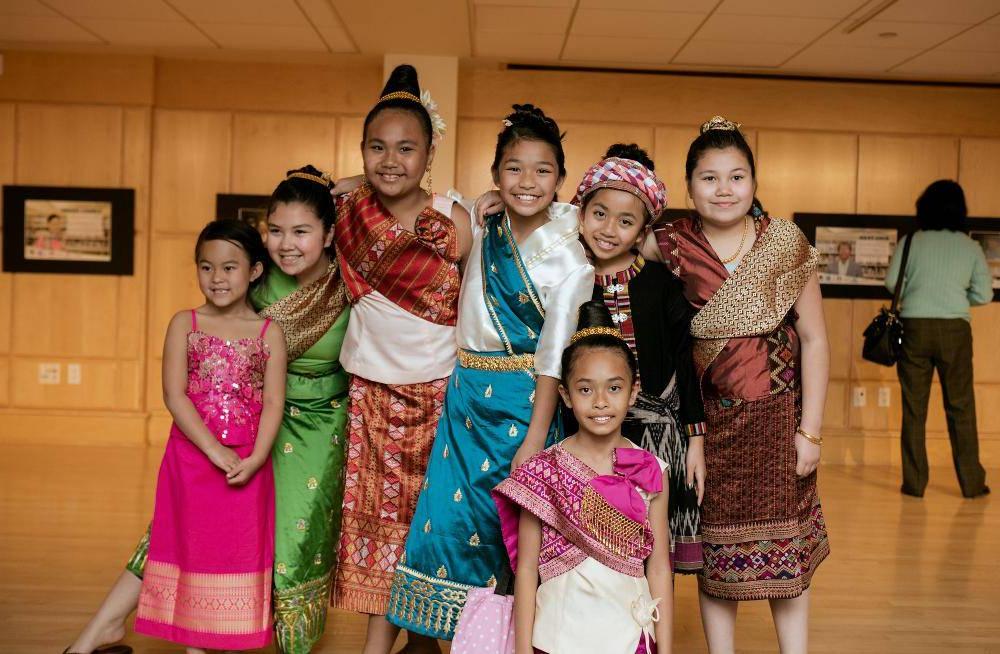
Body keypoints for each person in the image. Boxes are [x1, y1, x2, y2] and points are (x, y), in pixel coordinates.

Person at [63, 165, 352, 654]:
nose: (286, 244)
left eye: (301, 232)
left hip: (318, 428)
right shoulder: (250, 280)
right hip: (239, 425)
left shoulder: (353, 282)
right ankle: (101, 631)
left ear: (328, 233)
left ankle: (286, 645)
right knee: (184, 527)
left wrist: (358, 182)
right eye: (275, 231)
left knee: (295, 545)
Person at [387, 104, 592, 641]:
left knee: (513, 537)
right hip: (465, 399)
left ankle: (506, 641)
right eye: (514, 169)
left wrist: (533, 438)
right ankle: (443, 638)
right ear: (495, 174)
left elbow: (553, 357)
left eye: (543, 170)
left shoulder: (572, 255)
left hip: (525, 405)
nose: (528, 182)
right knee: (446, 525)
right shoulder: (483, 222)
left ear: (561, 181)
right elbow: (412, 198)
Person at [642, 116, 829, 654]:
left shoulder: (784, 242)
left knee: (786, 556)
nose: (724, 189)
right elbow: (604, 231)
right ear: (689, 185)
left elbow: (815, 340)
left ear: (754, 181)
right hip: (707, 428)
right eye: (709, 177)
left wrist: (810, 433)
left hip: (779, 422)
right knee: (715, 559)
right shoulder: (670, 243)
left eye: (736, 176)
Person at [331, 64, 471, 654]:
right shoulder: (345, 211)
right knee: (380, 529)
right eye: (377, 147)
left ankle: (425, 637)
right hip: (369, 395)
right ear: (361, 150)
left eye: (406, 148)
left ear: (429, 151)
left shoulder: (456, 220)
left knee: (433, 524)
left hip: (442, 393)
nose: (391, 160)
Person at [134, 219, 286, 652]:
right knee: (193, 545)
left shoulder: (267, 331)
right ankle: (194, 643)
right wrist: (213, 450)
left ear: (254, 271)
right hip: (193, 460)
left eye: (229, 268)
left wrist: (256, 458)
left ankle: (229, 634)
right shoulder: (185, 323)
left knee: (236, 548)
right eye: (206, 267)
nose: (217, 278)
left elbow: (274, 401)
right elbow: (174, 393)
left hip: (248, 461)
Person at [493, 300, 673, 654]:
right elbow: (527, 571)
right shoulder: (543, 472)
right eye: (586, 389)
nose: (601, 402)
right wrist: (523, 650)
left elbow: (659, 569)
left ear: (634, 391)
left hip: (629, 639)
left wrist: (664, 649)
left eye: (615, 388)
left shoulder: (653, 470)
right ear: (566, 395)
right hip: (557, 639)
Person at [575, 143, 707, 574]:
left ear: (643, 231)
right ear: (580, 213)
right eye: (599, 214)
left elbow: (687, 362)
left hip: (656, 441)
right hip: (581, 436)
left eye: (626, 221)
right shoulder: (568, 277)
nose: (610, 229)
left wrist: (695, 438)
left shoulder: (660, 283)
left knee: (650, 560)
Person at [884, 179, 991, 499]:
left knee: (914, 408)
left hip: (914, 327)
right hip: (956, 330)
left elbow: (892, 285)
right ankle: (972, 484)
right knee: (961, 406)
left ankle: (914, 484)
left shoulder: (912, 241)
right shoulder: (969, 246)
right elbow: (984, 294)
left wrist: (923, 296)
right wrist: (954, 300)